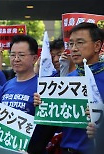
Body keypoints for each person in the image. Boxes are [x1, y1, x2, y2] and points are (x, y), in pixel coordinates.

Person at [35, 22, 104, 154]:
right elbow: (53, 122)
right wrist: (43, 104)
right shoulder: (67, 79)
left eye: (80, 42)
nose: (74, 48)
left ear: (97, 45)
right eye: (71, 44)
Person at [0, 34, 57, 154]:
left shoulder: (44, 87)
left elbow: (51, 126)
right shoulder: (6, 86)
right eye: (13, 55)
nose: (16, 59)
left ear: (35, 58)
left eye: (21, 55)